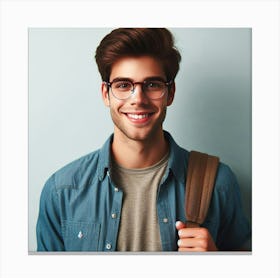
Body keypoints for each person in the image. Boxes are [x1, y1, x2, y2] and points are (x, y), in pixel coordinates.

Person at [36, 28, 251, 252]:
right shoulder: (61, 191)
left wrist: (219, 265)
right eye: (123, 85)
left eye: (152, 85)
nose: (138, 99)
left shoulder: (218, 183)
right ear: (105, 94)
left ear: (171, 93)